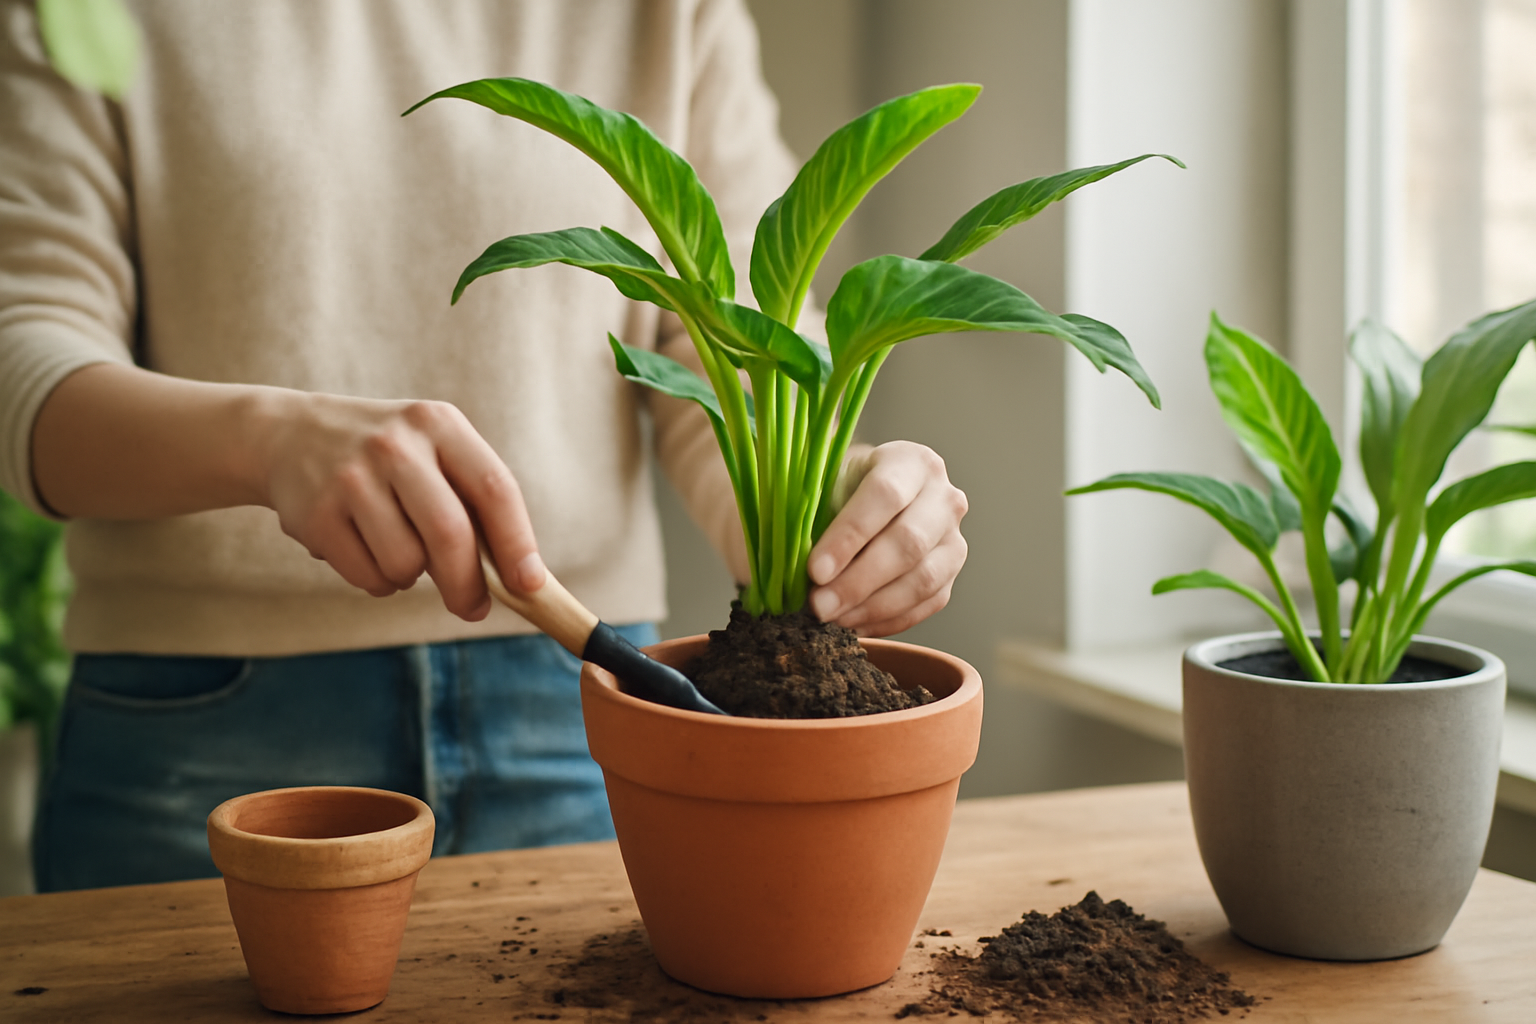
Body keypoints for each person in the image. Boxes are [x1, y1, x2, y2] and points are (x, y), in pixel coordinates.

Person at [0, 0, 969, 891]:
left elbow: (732, 333)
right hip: (200, 725)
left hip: (591, 706)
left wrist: (824, 503)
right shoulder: (86, 17)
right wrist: (263, 442)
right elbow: (25, 357)